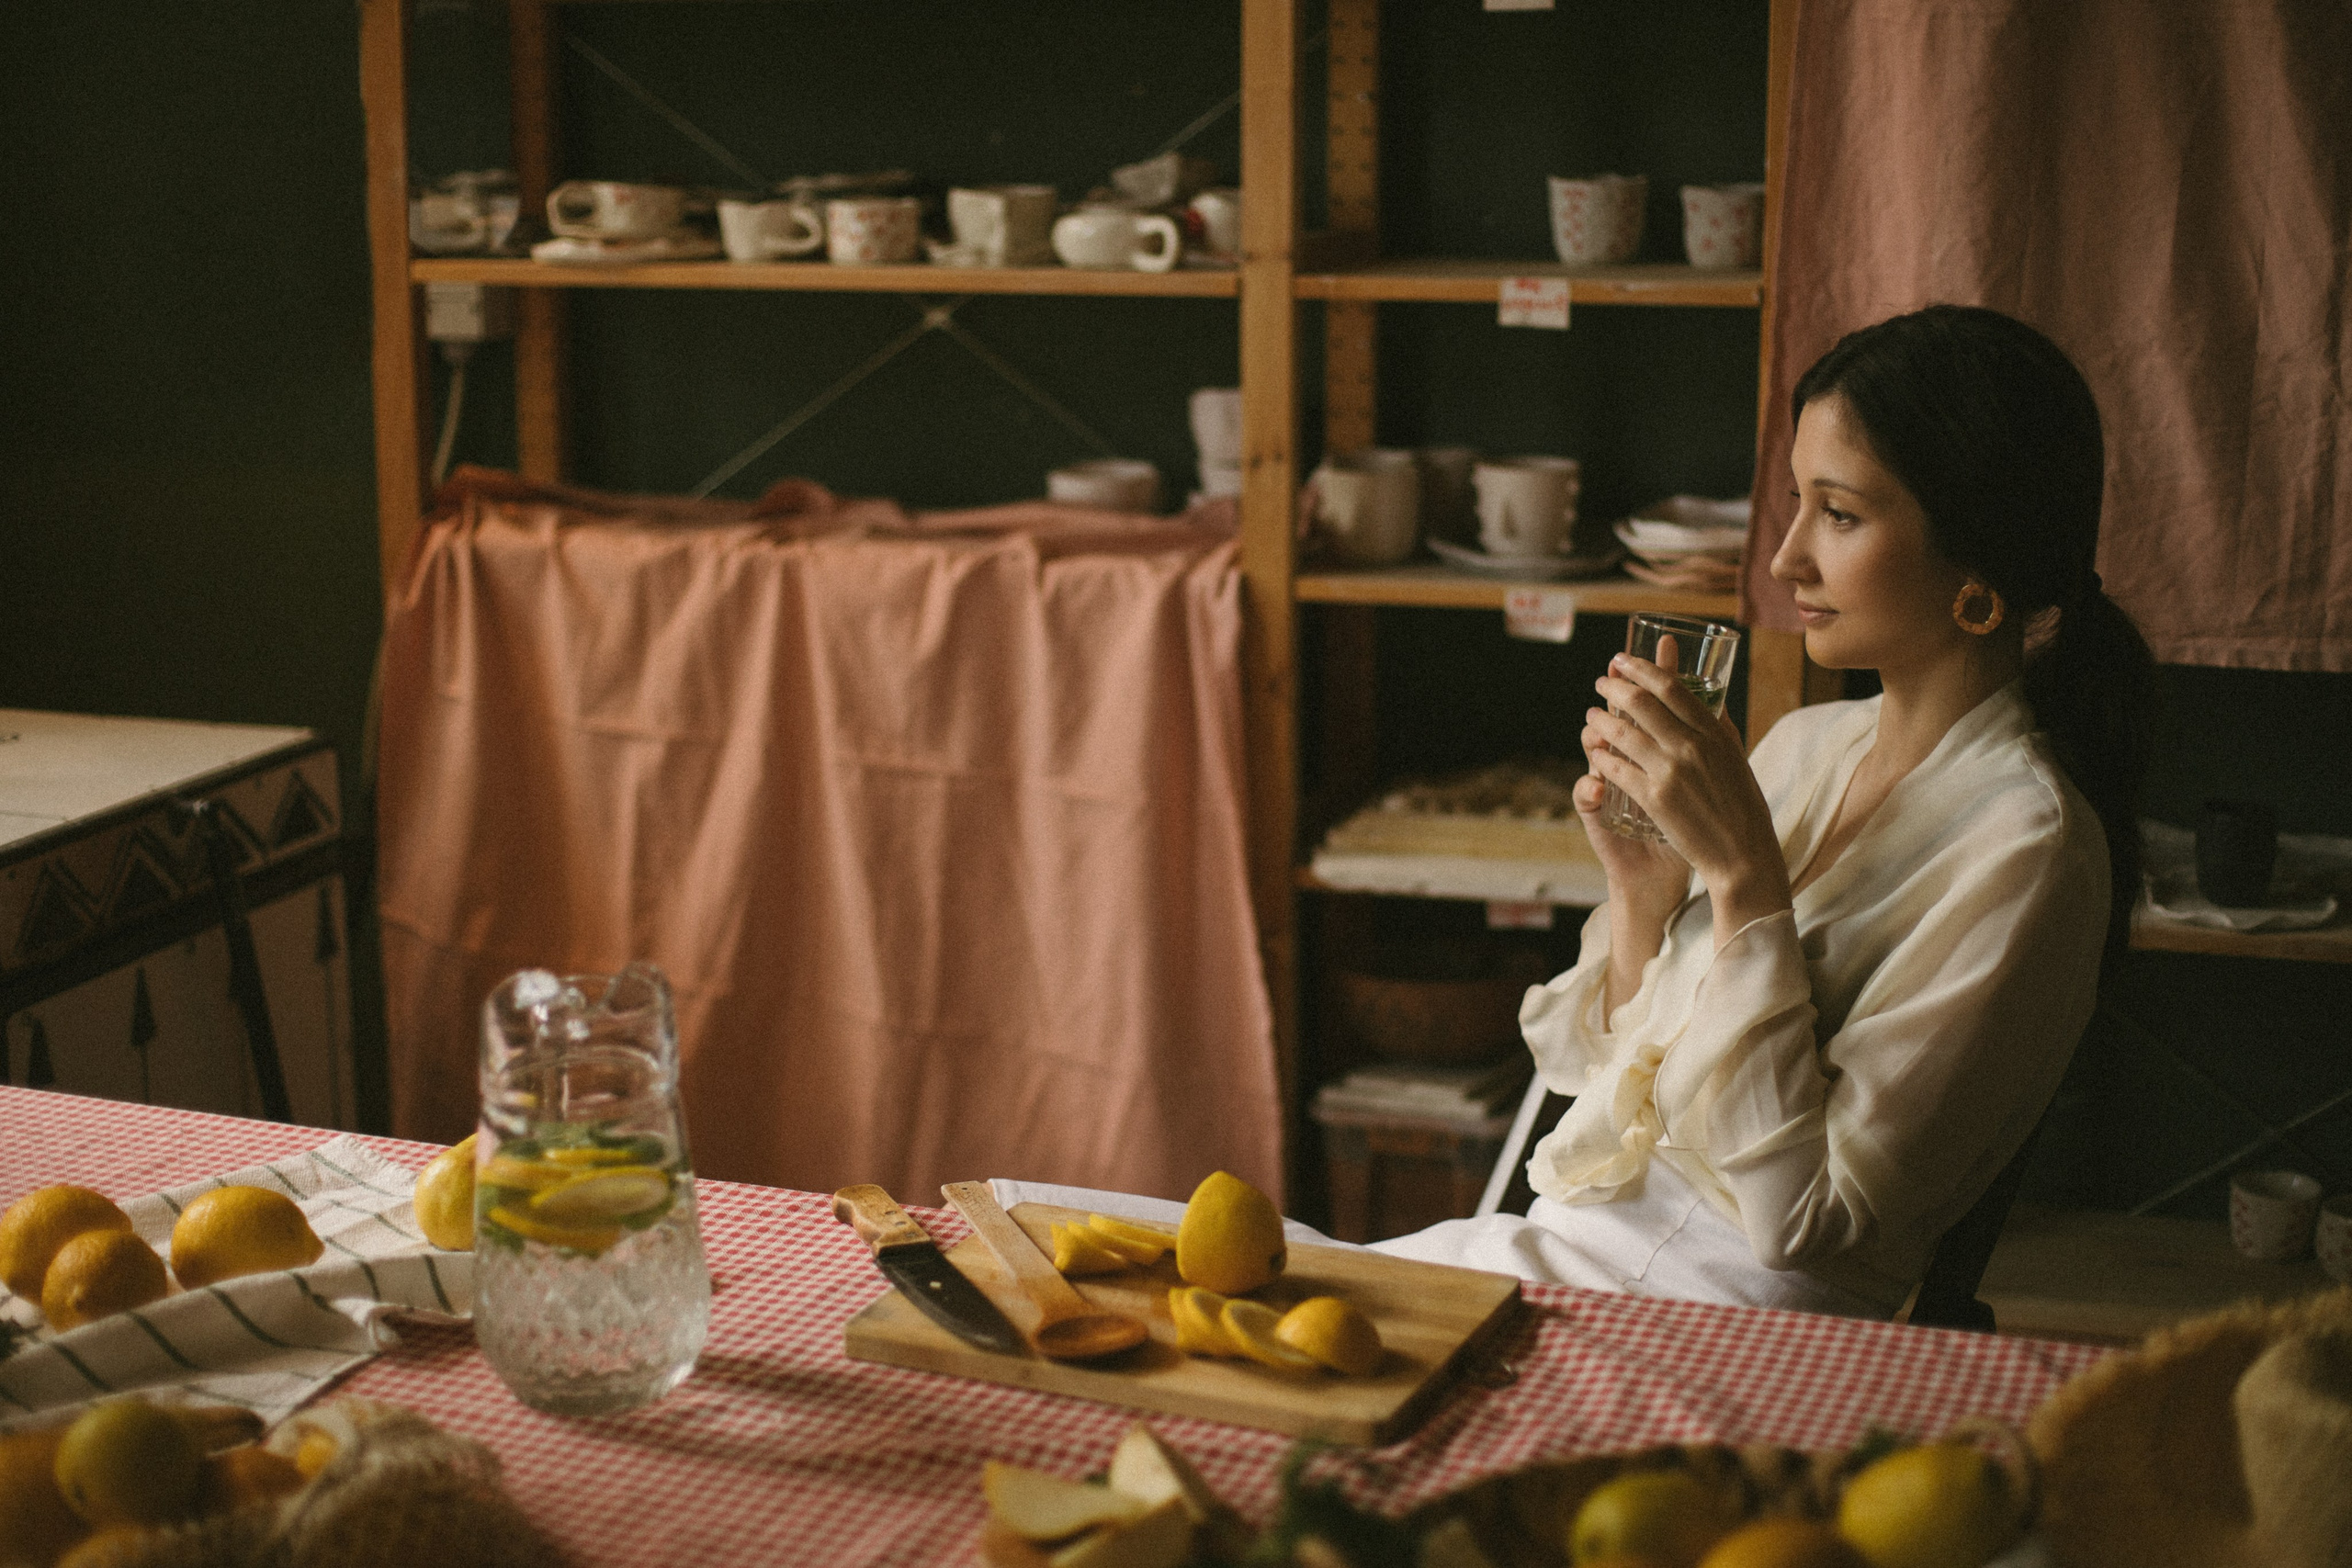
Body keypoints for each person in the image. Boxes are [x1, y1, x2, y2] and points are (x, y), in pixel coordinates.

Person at [1371, 304, 2154, 1316]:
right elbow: (1593, 1075)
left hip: (1728, 1319)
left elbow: (1798, 1228)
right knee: (1151, 1259)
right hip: (1568, 1250)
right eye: (1796, 502)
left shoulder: (2032, 849)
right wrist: (1645, 892)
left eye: (1838, 514)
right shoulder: (1802, 748)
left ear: (1977, 561)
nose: (1784, 560)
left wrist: (1744, 882)